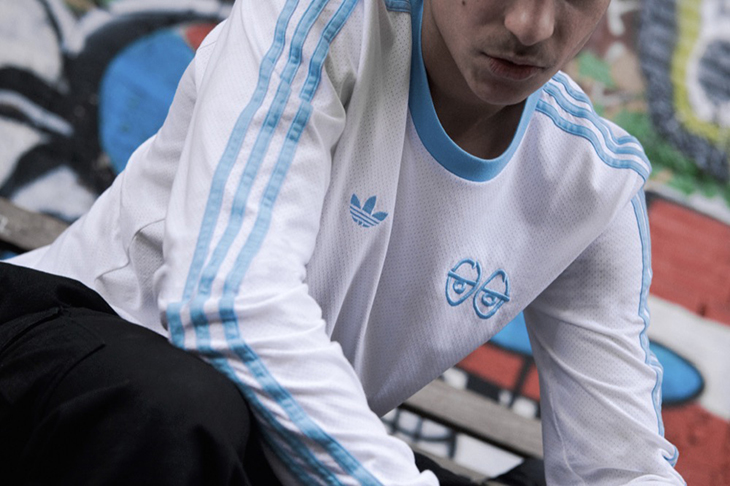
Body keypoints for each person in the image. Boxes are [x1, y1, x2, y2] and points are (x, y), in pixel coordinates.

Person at [0, 0, 686, 484]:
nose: (530, 25)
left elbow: (620, 465)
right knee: (183, 406)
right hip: (71, 362)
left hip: (254, 433)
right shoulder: (322, 20)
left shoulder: (592, 179)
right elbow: (227, 302)